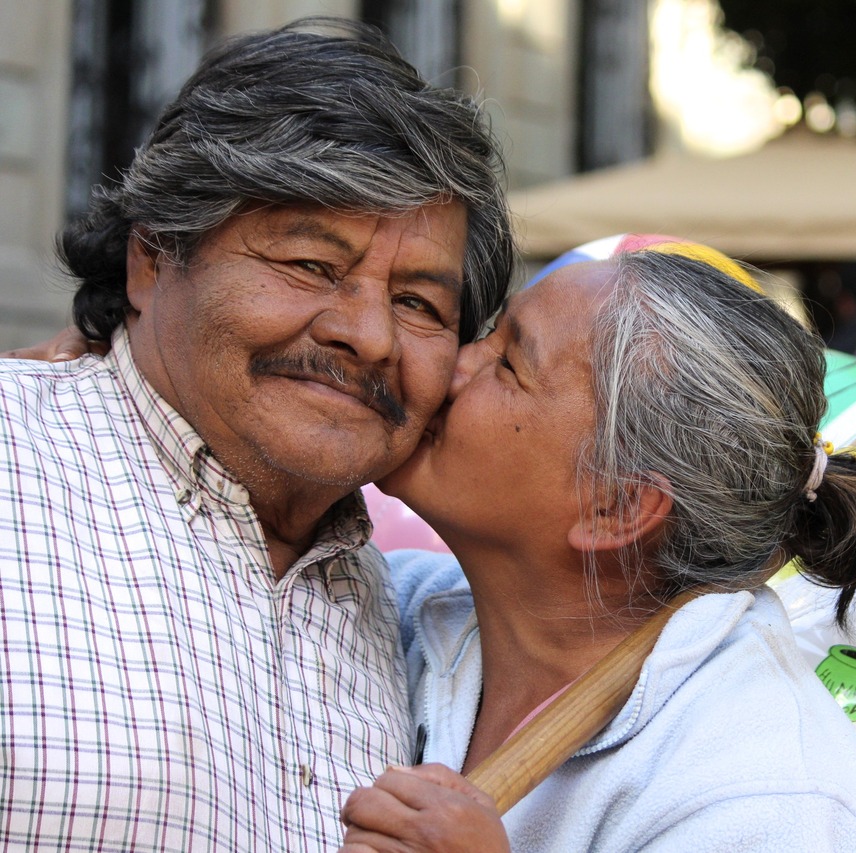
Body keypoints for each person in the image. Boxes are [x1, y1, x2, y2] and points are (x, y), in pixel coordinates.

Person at [0, 18, 512, 850]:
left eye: (420, 302)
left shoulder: (427, 632)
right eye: (312, 265)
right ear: (154, 258)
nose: (371, 336)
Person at [338, 247, 856, 851]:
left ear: (616, 508)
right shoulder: (373, 603)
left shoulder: (771, 798)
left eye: (508, 363)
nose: (449, 364)